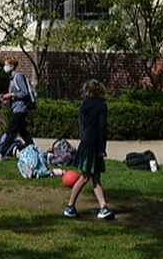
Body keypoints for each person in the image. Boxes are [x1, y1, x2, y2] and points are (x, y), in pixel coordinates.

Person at [63, 79, 114, 220]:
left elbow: (82, 127)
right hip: (94, 145)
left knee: (94, 177)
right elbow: (102, 128)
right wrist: (102, 148)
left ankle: (103, 207)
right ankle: (70, 206)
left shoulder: (84, 105)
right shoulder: (102, 106)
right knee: (85, 177)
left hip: (85, 144)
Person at [0, 61, 34, 155]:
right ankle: (33, 149)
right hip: (16, 108)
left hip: (20, 109)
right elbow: (16, 95)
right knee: (23, 132)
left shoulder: (18, 77)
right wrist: (7, 98)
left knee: (11, 131)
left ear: (12, 66)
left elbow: (24, 93)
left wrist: (11, 94)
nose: (5, 67)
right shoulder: (12, 78)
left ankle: (1, 153)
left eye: (6, 65)